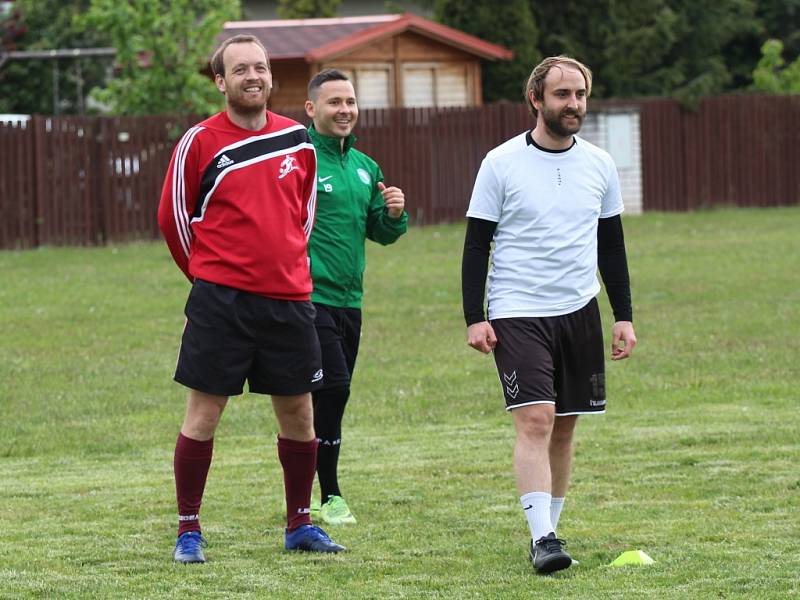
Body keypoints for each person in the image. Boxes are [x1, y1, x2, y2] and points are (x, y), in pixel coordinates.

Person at [157, 34, 345, 563]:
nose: (253, 76)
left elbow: (302, 216)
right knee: (204, 413)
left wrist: (281, 264)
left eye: (259, 68)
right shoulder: (198, 141)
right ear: (221, 81)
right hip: (221, 303)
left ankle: (299, 525)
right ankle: (188, 530)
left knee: (299, 414)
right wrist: (211, 277)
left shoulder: (298, 141)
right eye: (240, 69)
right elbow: (173, 219)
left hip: (289, 300)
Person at [461, 56, 637, 575]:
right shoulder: (501, 162)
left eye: (580, 94)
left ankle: (552, 532)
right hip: (517, 311)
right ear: (536, 100)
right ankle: (543, 539)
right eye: (562, 94)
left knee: (564, 428)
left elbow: (613, 247)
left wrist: (622, 315)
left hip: (579, 309)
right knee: (536, 419)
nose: (574, 104)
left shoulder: (600, 164)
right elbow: (476, 246)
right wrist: (475, 316)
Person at [303, 69, 408, 525]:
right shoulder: (301, 160)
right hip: (309, 298)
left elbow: (379, 233)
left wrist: (394, 214)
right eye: (334, 102)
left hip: (351, 303)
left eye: (350, 101)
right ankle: (330, 495)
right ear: (312, 109)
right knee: (335, 388)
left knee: (323, 397)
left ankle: (304, 488)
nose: (344, 110)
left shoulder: (366, 167)